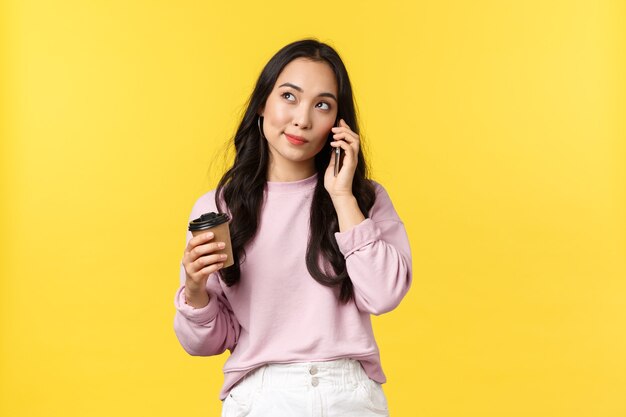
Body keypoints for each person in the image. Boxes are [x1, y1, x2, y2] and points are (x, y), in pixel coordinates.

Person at [173, 38, 412, 417]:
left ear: (338, 124)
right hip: (260, 395)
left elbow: (384, 295)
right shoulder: (220, 207)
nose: (302, 119)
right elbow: (204, 343)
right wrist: (195, 288)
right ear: (262, 104)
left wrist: (343, 197)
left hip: (347, 395)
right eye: (289, 96)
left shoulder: (363, 198)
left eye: (322, 105)